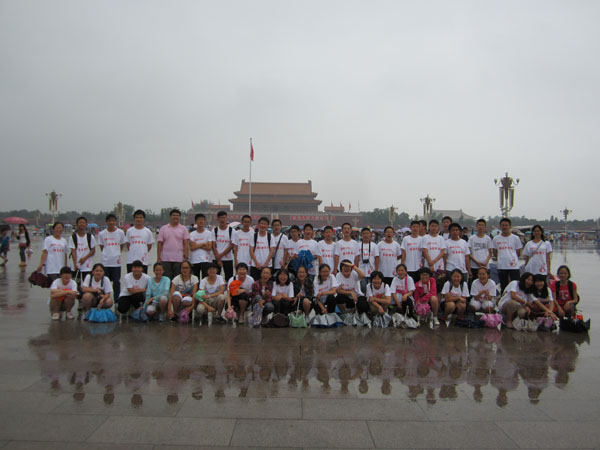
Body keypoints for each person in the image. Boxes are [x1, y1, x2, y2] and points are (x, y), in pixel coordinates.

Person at [97, 214, 126, 301]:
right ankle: (104, 300)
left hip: (116, 262)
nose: (111, 222)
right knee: (104, 282)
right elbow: (102, 247)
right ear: (107, 222)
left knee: (116, 282)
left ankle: (117, 300)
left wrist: (116, 253)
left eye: (113, 221)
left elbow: (122, 245)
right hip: (105, 262)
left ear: (116, 222)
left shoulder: (120, 232)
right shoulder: (102, 234)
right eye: (109, 221)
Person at [157, 209, 190, 280]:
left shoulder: (183, 228)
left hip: (179, 259)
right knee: (166, 278)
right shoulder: (163, 228)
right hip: (165, 258)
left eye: (177, 215)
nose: (175, 217)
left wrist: (186, 256)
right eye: (174, 215)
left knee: (177, 279)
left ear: (179, 217)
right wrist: (159, 258)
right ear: (170, 216)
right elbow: (159, 244)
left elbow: (185, 243)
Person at [492, 217, 522, 293]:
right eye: (503, 225)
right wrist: (500, 258)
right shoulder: (496, 238)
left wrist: (512, 258)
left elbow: (518, 252)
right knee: (503, 286)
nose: (504, 227)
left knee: (516, 285)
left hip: (514, 266)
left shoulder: (515, 238)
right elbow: (494, 252)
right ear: (500, 226)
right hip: (502, 266)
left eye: (506, 225)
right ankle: (504, 299)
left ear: (510, 226)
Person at [69, 216, 96, 285]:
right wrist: (75, 264)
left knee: (87, 285)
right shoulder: (73, 237)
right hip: (76, 265)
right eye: (80, 222)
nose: (82, 224)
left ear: (86, 224)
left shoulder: (90, 237)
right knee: (76, 284)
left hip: (87, 266)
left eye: (83, 223)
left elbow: (93, 250)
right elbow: (73, 251)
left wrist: (84, 258)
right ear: (77, 224)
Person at [189, 213, 214, 280]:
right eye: (199, 220)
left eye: (202, 220)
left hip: (205, 260)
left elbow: (209, 248)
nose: (201, 221)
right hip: (194, 260)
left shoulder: (208, 233)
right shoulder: (192, 234)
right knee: (195, 279)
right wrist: (203, 244)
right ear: (196, 221)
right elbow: (192, 248)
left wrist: (196, 245)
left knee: (205, 279)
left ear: (205, 221)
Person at [212, 211, 235, 281]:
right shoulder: (214, 230)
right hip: (216, 258)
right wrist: (218, 259)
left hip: (228, 258)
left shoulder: (231, 230)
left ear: (227, 218)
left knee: (229, 278)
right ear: (217, 219)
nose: (222, 220)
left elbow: (231, 245)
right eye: (221, 218)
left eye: (224, 218)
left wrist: (220, 256)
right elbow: (213, 246)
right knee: (215, 278)